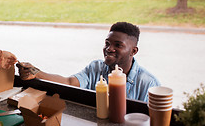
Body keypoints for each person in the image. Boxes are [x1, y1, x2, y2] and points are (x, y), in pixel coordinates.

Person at [17, 22, 160, 102]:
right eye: (107, 43)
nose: (109, 49)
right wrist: (36, 72)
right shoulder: (96, 67)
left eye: (118, 45)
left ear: (133, 51)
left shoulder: (149, 84)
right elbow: (70, 82)